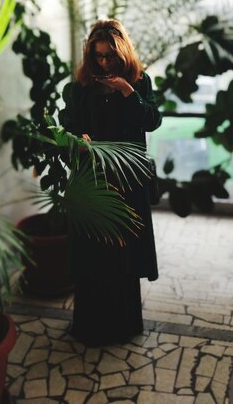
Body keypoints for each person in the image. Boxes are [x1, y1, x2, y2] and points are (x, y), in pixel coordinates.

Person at [59, 19, 162, 346]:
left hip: (127, 181)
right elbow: (68, 131)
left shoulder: (140, 83)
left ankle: (124, 324)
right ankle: (90, 325)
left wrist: (127, 91)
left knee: (124, 255)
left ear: (122, 54)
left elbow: (152, 121)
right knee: (92, 254)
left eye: (110, 57)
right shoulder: (77, 89)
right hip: (92, 182)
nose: (104, 62)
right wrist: (79, 142)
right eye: (98, 56)